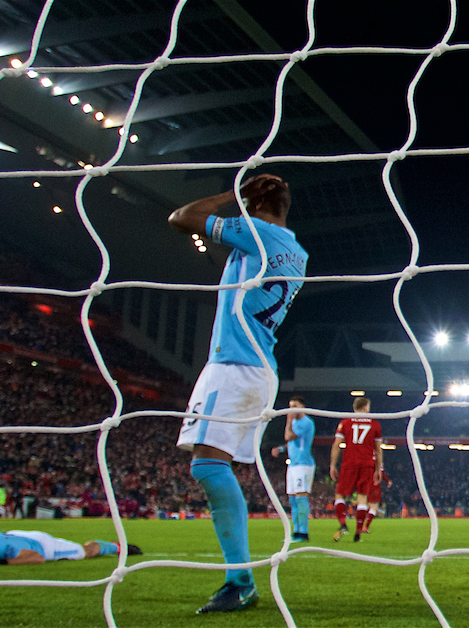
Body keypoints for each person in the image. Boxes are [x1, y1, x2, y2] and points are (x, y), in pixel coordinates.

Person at [169, 173, 307, 614]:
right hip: (259, 367)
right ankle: (239, 578)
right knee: (212, 465)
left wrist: (234, 195)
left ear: (259, 199)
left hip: (233, 364)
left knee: (208, 467)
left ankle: (240, 580)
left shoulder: (256, 232)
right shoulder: (297, 251)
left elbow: (182, 217)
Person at [0, 528, 141, 566]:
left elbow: (36, 557)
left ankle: (114, 547)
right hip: (15, 535)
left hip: (43, 546)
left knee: (84, 552)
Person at [330, 397, 383, 543]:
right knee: (362, 498)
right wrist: (379, 469)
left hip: (349, 463)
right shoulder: (375, 424)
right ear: (365, 407)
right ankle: (358, 533)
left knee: (340, 495)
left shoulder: (345, 422)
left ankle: (343, 523)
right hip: (367, 464)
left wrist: (332, 465)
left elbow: (336, 444)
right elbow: (378, 450)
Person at [270, 396, 315, 543]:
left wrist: (288, 421)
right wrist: (281, 448)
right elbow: (292, 442)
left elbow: (289, 436)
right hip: (294, 464)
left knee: (301, 498)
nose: (291, 410)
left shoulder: (306, 422)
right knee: (293, 500)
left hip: (303, 464)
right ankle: (296, 532)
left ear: (302, 407)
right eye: (290, 406)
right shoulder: (296, 422)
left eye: (294, 406)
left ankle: (304, 533)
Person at [363, 467, 390, 534]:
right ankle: (365, 526)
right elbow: (380, 472)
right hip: (374, 486)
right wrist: (387, 480)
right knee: (374, 507)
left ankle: (360, 525)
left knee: (365, 506)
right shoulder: (377, 458)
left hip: (365, 485)